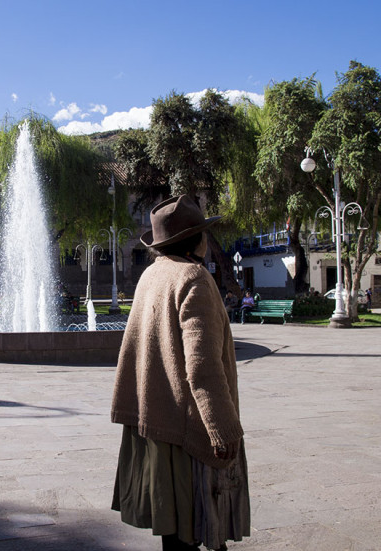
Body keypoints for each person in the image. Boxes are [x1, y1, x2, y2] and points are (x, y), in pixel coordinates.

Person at [111, 195, 249, 551]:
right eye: (204, 232)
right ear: (196, 239)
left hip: (156, 423)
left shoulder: (151, 275)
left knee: (175, 534)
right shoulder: (194, 278)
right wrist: (222, 428)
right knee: (203, 530)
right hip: (189, 430)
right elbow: (202, 367)